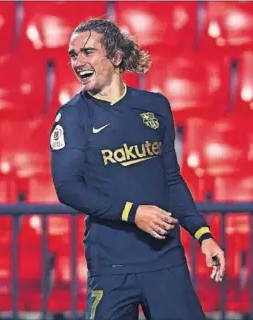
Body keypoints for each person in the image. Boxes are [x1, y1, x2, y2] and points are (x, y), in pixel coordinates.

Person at [50, 19, 225, 320]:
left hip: (165, 261)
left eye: (88, 52)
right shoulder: (71, 116)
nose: (78, 62)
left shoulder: (155, 106)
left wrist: (202, 233)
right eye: (72, 55)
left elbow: (171, 179)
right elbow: (67, 187)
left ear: (116, 57)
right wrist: (133, 213)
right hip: (111, 267)